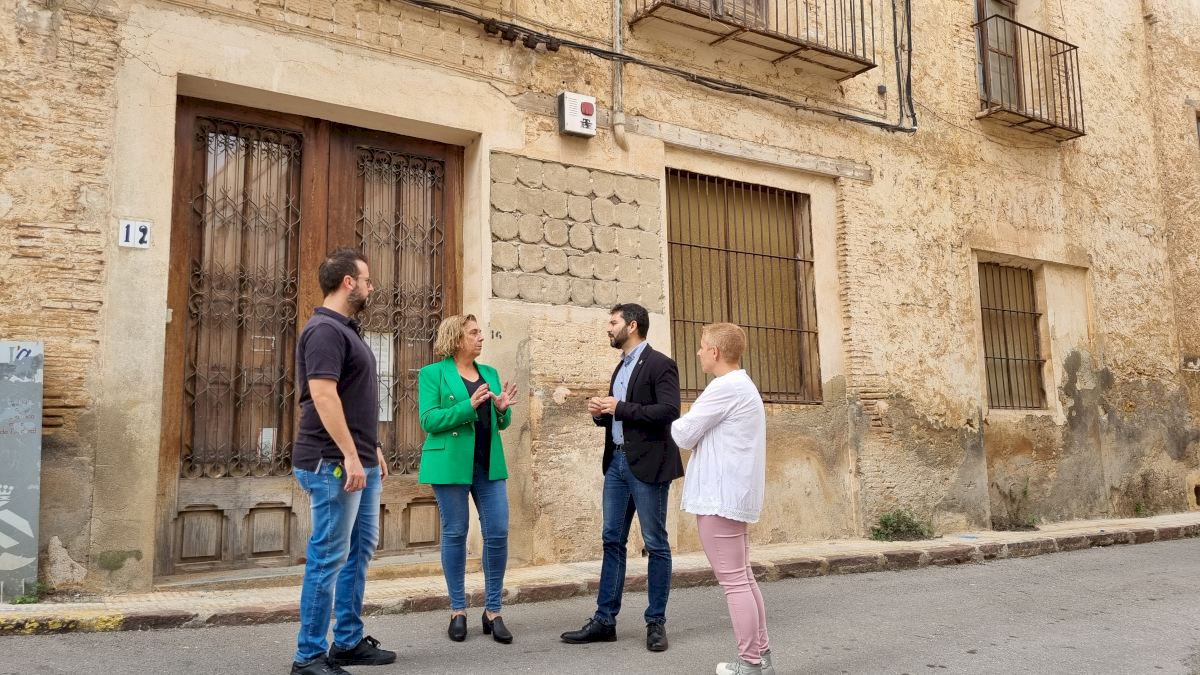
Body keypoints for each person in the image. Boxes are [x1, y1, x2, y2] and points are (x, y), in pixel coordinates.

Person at [291, 248, 396, 675]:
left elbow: (353, 399)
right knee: (328, 557)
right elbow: (323, 395)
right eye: (367, 280)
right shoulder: (323, 330)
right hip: (332, 463)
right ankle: (308, 657)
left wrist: (371, 449)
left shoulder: (346, 330)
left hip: (358, 460)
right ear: (349, 282)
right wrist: (351, 455)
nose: (372, 287)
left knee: (359, 549)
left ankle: (348, 641)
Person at [561, 303, 684, 653]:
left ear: (631, 326)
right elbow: (621, 416)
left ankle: (656, 622)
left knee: (655, 543)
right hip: (616, 462)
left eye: (613, 322)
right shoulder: (620, 367)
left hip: (647, 465)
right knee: (611, 540)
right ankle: (605, 621)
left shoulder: (660, 364)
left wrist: (619, 407)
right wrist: (601, 413)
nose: (608, 328)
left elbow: (669, 410)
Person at [670, 323, 774, 675]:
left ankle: (750, 662)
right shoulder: (742, 386)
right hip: (731, 494)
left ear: (715, 352)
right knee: (743, 577)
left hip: (719, 496)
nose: (699, 352)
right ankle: (761, 658)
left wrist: (679, 424)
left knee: (734, 582)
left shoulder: (724, 387)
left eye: (702, 346)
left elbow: (684, 433)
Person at [418, 314, 519, 644]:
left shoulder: (490, 373)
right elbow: (428, 420)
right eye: (474, 333)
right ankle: (457, 610)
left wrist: (501, 409)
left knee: (498, 531)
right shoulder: (432, 374)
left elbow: (501, 422)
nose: (480, 337)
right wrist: (467, 405)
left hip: (488, 464)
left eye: (480, 333)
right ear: (456, 338)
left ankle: (493, 611)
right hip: (450, 465)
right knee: (456, 532)